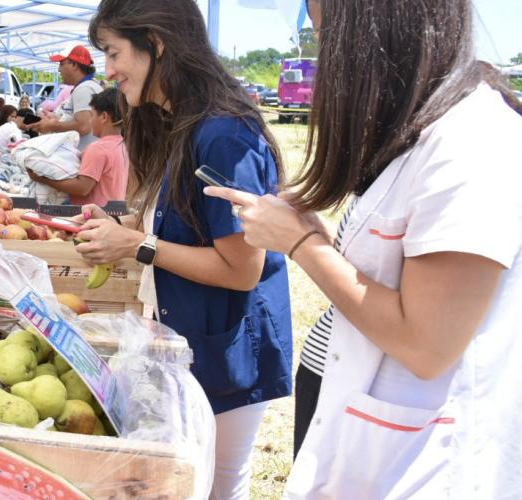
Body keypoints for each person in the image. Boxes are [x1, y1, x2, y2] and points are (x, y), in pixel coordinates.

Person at [206, 0, 522, 497]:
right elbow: (395, 278)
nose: (324, 55)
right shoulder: (426, 133)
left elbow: (426, 346)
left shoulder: (473, 143)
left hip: (421, 465)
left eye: (324, 32)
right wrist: (312, 233)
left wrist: (301, 243)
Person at [79, 2, 292, 498]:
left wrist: (138, 245)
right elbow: (179, 221)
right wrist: (122, 227)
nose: (108, 70)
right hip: (192, 335)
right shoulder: (180, 123)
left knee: (217, 483)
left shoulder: (224, 134)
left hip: (228, 349)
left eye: (113, 52)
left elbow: (241, 269)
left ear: (156, 43)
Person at [28, 88, 131, 207]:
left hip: (91, 215)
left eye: (92, 115)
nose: (90, 121)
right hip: (113, 213)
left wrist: (42, 179)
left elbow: (82, 188)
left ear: (104, 117)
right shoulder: (123, 146)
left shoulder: (98, 149)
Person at [29, 44, 103, 149]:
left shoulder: (84, 89)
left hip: (86, 153)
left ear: (74, 65)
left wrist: (52, 126)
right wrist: (57, 119)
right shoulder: (89, 86)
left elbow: (84, 126)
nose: (59, 69)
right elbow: (82, 121)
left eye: (62, 64)